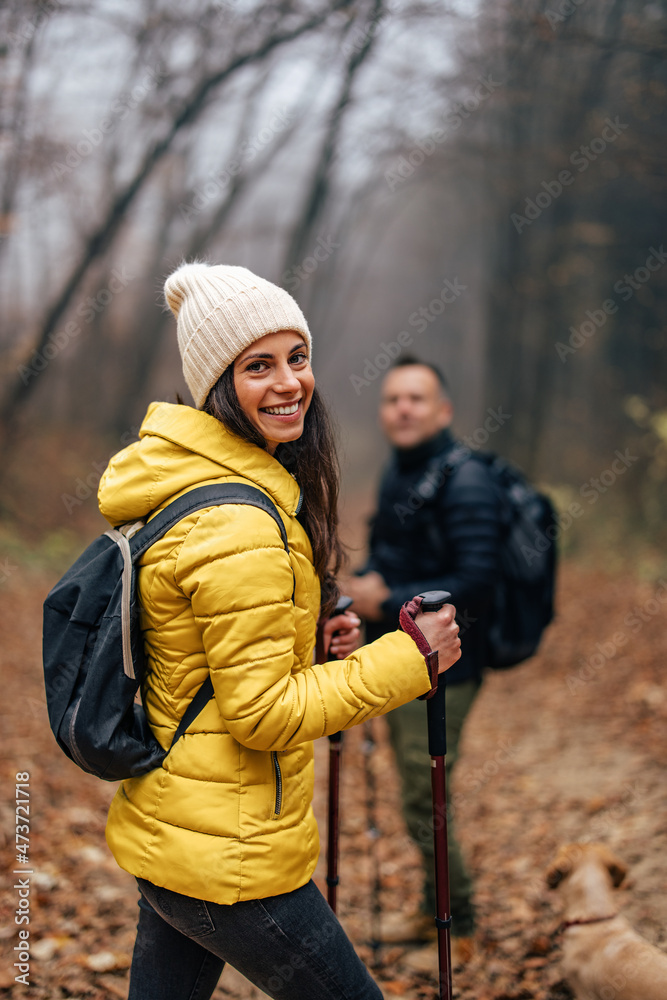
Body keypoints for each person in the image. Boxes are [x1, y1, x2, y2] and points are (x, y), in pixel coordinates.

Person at [96, 264, 462, 1000]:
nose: (290, 382)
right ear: (216, 386)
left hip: (178, 830)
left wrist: (306, 637)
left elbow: (207, 656)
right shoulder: (238, 525)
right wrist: (410, 659)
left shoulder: (195, 486)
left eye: (297, 357)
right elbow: (261, 715)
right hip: (232, 858)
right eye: (257, 366)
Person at [342, 355, 502, 970]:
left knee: (422, 790)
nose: (402, 409)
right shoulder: (400, 471)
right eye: (392, 400)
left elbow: (478, 579)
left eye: (416, 398)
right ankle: (432, 906)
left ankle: (457, 918)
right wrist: (371, 585)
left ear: (443, 411)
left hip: (450, 667)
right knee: (417, 787)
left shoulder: (465, 481)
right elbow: (399, 552)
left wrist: (391, 592)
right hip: (403, 657)